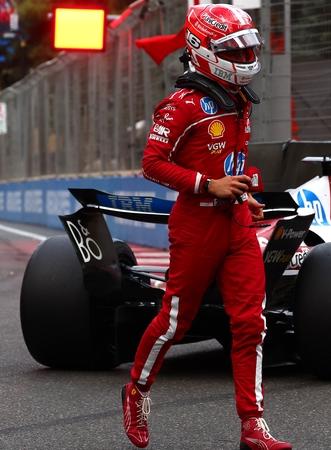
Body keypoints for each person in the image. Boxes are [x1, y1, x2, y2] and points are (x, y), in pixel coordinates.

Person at [122, 4, 292, 450]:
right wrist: (208, 185)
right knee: (175, 322)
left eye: (247, 49)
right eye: (232, 51)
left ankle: (253, 424)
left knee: (251, 323)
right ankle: (137, 390)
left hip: (236, 222)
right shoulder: (181, 105)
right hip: (196, 225)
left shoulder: (239, 98)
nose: (244, 58)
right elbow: (151, 164)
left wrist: (241, 192)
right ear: (202, 50)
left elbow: (229, 163)